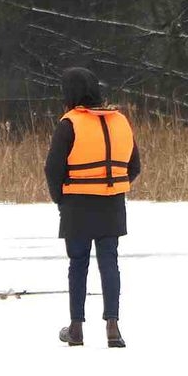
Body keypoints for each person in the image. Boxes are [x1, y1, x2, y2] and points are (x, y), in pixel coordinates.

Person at [44, 67, 141, 348]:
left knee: (78, 264)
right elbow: (134, 166)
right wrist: (111, 186)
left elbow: (52, 169)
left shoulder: (69, 123)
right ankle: (113, 327)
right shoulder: (120, 120)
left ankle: (76, 328)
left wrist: (60, 198)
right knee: (109, 262)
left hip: (77, 203)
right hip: (112, 202)